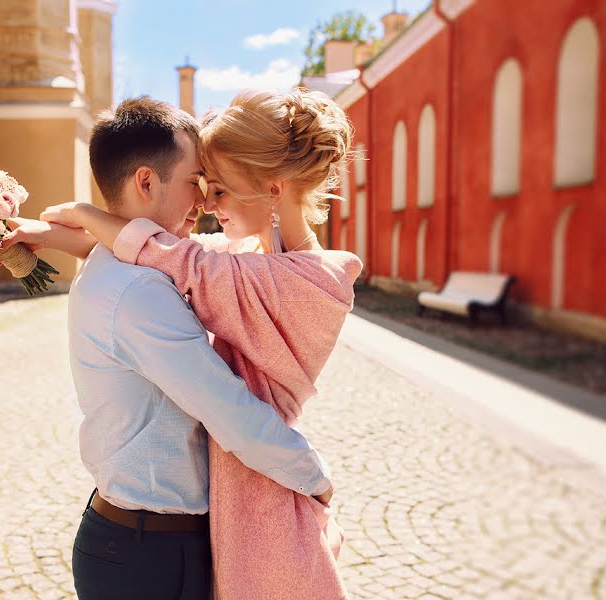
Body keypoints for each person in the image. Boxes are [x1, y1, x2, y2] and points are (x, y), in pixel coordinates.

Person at [27, 88, 363, 599]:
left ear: (272, 190)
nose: (207, 204)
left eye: (219, 189)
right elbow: (159, 253)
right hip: (185, 521)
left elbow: (171, 257)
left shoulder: (293, 276)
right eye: (199, 184)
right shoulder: (232, 263)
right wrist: (54, 232)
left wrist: (79, 215)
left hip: (247, 492)